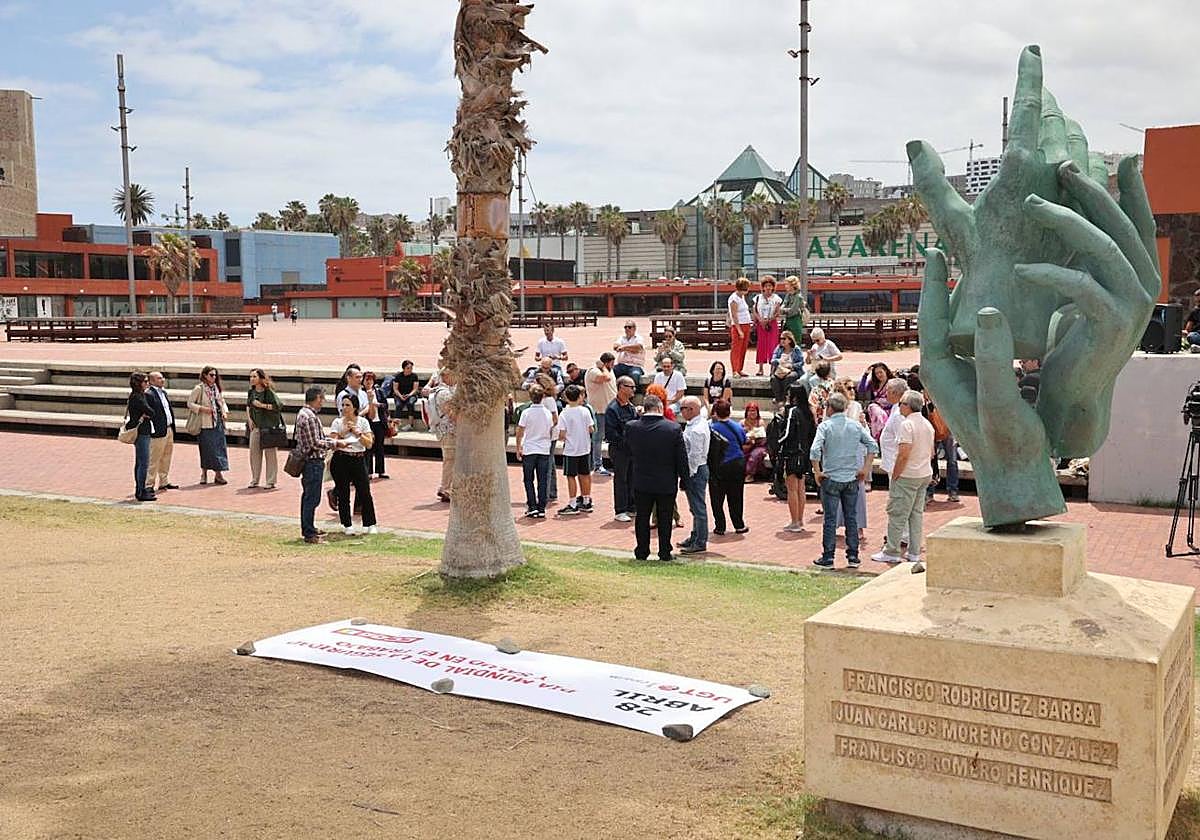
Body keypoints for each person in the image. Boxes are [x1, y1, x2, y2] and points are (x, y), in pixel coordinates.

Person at [810, 392, 879, 569]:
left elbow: (815, 451)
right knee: (851, 517)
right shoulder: (855, 426)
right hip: (851, 478)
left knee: (830, 519)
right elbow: (873, 446)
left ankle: (828, 556)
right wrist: (865, 468)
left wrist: (817, 472)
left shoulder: (825, 426)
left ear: (830, 408)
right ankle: (853, 556)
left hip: (831, 476)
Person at [624, 394, 689, 562]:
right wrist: (685, 479)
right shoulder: (673, 428)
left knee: (642, 517)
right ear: (660, 408)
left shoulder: (632, 427)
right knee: (665, 518)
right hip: (665, 481)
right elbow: (681, 458)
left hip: (641, 479)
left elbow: (628, 450)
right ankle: (664, 551)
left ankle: (642, 550)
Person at [873, 390, 934, 564]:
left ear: (908, 406)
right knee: (916, 514)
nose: (899, 406)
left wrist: (896, 474)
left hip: (908, 474)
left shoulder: (907, 425)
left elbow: (903, 454)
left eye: (902, 403)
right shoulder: (927, 424)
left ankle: (892, 550)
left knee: (897, 514)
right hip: (923, 473)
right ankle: (914, 552)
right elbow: (931, 452)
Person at [328, 393, 378, 535]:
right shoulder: (337, 422)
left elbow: (369, 444)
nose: (344, 408)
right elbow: (332, 443)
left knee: (364, 492)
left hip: (358, 458)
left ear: (355, 407)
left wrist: (358, 433)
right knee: (343, 493)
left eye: (348, 405)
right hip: (342, 459)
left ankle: (370, 523)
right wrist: (343, 433)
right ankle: (347, 525)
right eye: (343, 405)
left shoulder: (362, 422)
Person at [833, 377, 870, 540]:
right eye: (849, 388)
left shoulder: (856, 406)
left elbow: (861, 431)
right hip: (836, 454)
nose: (853, 391)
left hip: (854, 454)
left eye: (853, 387)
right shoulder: (833, 407)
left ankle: (858, 526)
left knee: (857, 491)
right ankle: (833, 524)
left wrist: (863, 424)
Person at [294, 386, 332, 544]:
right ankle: (309, 533)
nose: (322, 402)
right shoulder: (309, 417)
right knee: (312, 498)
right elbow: (314, 443)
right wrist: (334, 443)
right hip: (313, 462)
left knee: (308, 496)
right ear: (317, 398)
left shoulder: (304, 414)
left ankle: (308, 527)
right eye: (322, 398)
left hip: (310, 462)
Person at [777, 383, 817, 532]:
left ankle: (795, 521)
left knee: (792, 489)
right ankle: (799, 520)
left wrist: (778, 443)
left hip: (793, 454)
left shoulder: (793, 411)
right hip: (805, 454)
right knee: (801, 488)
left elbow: (787, 433)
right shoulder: (808, 411)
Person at [708, 399, 749, 535]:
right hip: (738, 462)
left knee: (717, 497)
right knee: (736, 495)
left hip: (720, 465)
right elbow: (743, 440)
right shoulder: (737, 426)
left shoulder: (712, 428)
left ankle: (720, 526)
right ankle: (739, 525)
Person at [516, 384, 555, 518]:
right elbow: (550, 429)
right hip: (544, 449)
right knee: (542, 479)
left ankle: (532, 505)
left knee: (528, 479)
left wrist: (518, 447)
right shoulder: (547, 413)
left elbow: (520, 431)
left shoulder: (526, 413)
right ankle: (541, 507)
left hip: (530, 448)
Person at [677, 396, 710, 554]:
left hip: (696, 471)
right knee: (695, 507)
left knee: (698, 507)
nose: (681, 412)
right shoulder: (696, 424)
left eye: (683, 408)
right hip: (697, 469)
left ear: (691, 410)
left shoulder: (697, 429)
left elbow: (694, 456)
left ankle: (700, 541)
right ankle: (695, 536)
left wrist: (687, 475)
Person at [555, 384, 594, 515]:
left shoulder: (564, 413)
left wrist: (565, 438)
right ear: (579, 396)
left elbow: (561, 434)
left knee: (571, 476)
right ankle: (586, 500)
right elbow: (591, 429)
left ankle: (572, 503)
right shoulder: (585, 411)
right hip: (585, 447)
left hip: (571, 449)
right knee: (585, 474)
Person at [604, 375, 639, 522]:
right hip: (619, 450)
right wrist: (627, 442)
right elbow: (612, 434)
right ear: (621, 388)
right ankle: (620, 510)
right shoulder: (613, 409)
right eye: (630, 387)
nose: (633, 390)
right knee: (621, 479)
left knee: (632, 477)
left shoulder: (631, 407)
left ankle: (631, 506)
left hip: (632, 450)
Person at [188, 366, 229, 485]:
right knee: (206, 448)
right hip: (205, 423)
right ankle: (204, 473)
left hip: (217, 422)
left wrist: (224, 411)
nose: (214, 377)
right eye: (211, 375)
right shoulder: (199, 388)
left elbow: (221, 401)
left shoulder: (216, 388)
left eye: (215, 375)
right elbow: (190, 403)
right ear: (205, 375)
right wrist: (202, 409)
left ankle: (218, 474)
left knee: (219, 448)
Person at [246, 368, 283, 490]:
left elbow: (278, 405)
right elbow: (248, 405)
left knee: (270, 454)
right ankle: (254, 479)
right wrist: (249, 419)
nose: (252, 379)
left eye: (254, 377)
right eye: (251, 377)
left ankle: (271, 480)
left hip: (268, 428)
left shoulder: (268, 392)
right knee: (254, 453)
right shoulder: (251, 392)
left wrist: (262, 406)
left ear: (261, 378)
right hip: (256, 427)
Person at [125, 372, 156, 502]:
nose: (147, 384)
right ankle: (140, 491)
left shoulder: (138, 395)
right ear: (138, 384)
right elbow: (151, 411)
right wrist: (147, 412)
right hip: (142, 432)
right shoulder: (137, 397)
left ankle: (140, 489)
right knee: (143, 463)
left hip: (143, 430)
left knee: (140, 462)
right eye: (145, 382)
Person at [145, 371, 177, 492]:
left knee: (166, 456)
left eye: (162, 378)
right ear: (152, 381)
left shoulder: (163, 392)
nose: (162, 380)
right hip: (158, 431)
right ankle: (149, 484)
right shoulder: (149, 394)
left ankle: (164, 481)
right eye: (159, 378)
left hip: (168, 429)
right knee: (154, 458)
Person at [586, 352, 617, 475]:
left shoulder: (609, 370)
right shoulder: (594, 371)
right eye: (611, 364)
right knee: (597, 438)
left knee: (604, 438)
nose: (613, 366)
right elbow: (605, 378)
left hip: (609, 410)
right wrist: (603, 367)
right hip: (598, 411)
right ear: (606, 362)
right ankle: (597, 465)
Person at [429, 370, 457, 503]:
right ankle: (446, 488)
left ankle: (447, 487)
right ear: (446, 376)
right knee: (450, 461)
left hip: (446, 431)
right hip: (448, 431)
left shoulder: (444, 390)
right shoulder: (443, 393)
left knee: (450, 460)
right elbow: (451, 413)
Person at [752, 276, 783, 376]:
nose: (768, 288)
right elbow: (754, 310)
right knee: (761, 345)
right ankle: (760, 368)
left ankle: (773, 368)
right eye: (766, 286)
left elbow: (778, 312)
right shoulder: (757, 298)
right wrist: (761, 320)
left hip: (772, 324)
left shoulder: (777, 299)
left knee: (772, 345)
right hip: (760, 324)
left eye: (770, 286)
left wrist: (769, 320)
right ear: (763, 287)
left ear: (773, 287)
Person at [363, 371, 390, 480]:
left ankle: (380, 471)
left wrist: (377, 405)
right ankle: (368, 472)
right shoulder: (361, 393)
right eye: (367, 379)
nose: (369, 382)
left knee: (380, 447)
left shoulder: (378, 391)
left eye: (371, 379)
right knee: (368, 447)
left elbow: (385, 405)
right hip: (367, 423)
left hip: (379, 422)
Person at [858, 363, 895, 440]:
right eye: (876, 373)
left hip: (891, 408)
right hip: (878, 410)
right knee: (873, 408)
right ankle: (879, 435)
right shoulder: (874, 383)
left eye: (880, 372)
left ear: (885, 371)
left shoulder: (893, 382)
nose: (879, 375)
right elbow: (861, 390)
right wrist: (865, 375)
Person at [769, 330, 805, 406]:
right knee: (773, 378)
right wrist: (780, 360)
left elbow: (801, 362)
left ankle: (784, 397)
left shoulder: (796, 349)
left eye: (784, 339)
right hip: (780, 370)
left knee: (790, 377)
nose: (781, 340)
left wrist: (792, 366)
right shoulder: (779, 348)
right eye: (781, 338)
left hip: (793, 370)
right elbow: (772, 360)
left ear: (789, 340)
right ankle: (779, 399)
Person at [726, 277, 753, 377]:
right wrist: (739, 330)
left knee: (743, 348)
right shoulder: (733, 299)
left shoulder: (742, 297)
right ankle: (734, 370)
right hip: (739, 325)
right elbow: (734, 315)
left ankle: (740, 368)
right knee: (736, 349)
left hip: (746, 324)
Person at [741, 402, 770, 481]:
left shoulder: (760, 422)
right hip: (747, 444)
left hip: (759, 445)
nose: (752, 413)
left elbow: (763, 437)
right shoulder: (742, 422)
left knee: (754, 456)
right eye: (750, 411)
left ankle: (749, 475)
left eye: (754, 411)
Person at [391, 360, 421, 431]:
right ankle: (396, 425)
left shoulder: (414, 376)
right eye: (408, 368)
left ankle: (410, 424)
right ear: (403, 368)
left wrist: (409, 395)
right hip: (400, 394)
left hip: (411, 395)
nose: (410, 369)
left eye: (411, 368)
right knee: (398, 405)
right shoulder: (398, 376)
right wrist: (401, 396)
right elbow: (395, 389)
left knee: (410, 403)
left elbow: (415, 389)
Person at [781, 274, 808, 339]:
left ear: (793, 285)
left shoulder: (798, 297)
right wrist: (782, 309)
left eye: (787, 284)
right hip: (788, 320)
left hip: (795, 320)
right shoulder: (788, 295)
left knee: (795, 340)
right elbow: (784, 304)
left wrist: (782, 310)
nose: (785, 286)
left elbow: (793, 310)